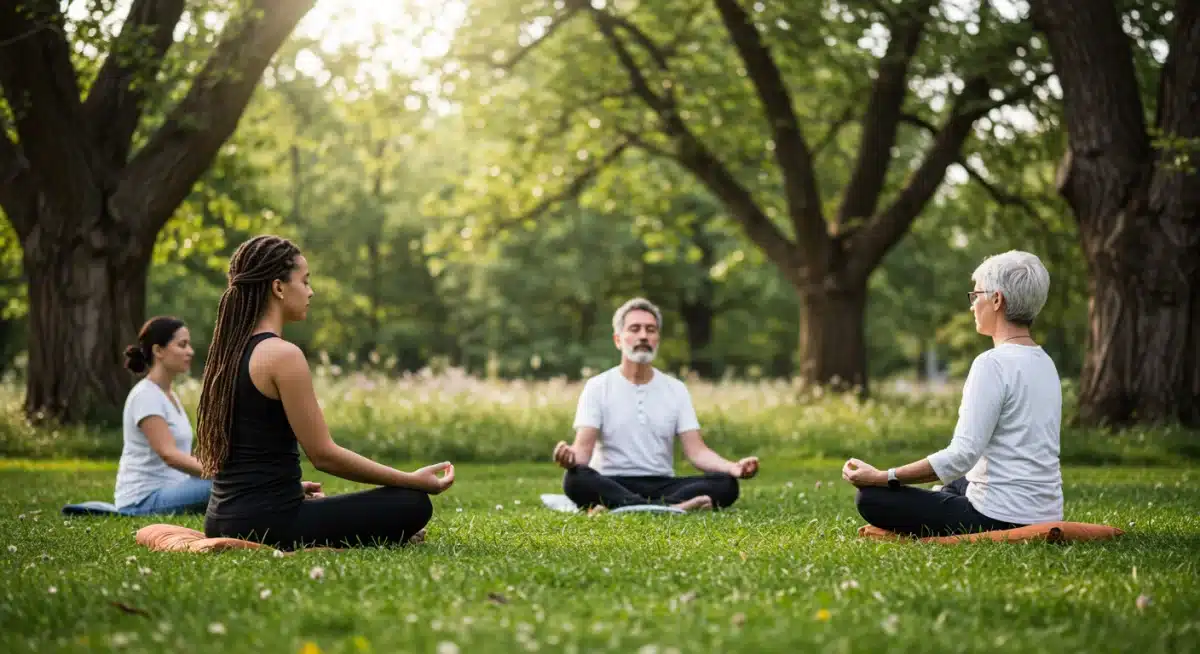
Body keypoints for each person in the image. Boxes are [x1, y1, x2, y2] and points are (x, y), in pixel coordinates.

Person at [195, 234, 454, 550]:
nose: (310, 291)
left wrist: (291, 488)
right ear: (278, 288)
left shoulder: (226, 355)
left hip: (221, 518)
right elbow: (324, 455)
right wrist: (413, 480)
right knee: (412, 502)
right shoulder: (282, 355)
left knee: (363, 504)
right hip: (269, 522)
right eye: (304, 282)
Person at [842, 250, 1063, 537]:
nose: (973, 305)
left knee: (871, 498)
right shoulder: (1044, 362)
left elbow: (961, 455)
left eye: (976, 295)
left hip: (1001, 517)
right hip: (1045, 509)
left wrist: (884, 477)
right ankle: (943, 498)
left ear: (997, 300)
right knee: (960, 482)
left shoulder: (991, 364)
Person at [552, 297, 759, 514]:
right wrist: (570, 458)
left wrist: (732, 467)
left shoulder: (676, 389)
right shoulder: (597, 386)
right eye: (635, 329)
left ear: (657, 339)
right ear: (618, 340)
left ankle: (625, 507)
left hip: (662, 483)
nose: (643, 335)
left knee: (726, 484)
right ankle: (672, 508)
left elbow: (697, 451)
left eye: (650, 330)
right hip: (611, 481)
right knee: (575, 479)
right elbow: (582, 453)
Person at [114, 316, 213, 516]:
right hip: (142, 500)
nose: (190, 351)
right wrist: (218, 474)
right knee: (227, 485)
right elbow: (170, 455)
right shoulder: (145, 395)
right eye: (182, 345)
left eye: (189, 345)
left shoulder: (170, 396)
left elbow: (183, 455)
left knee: (232, 480)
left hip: (172, 490)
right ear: (158, 350)